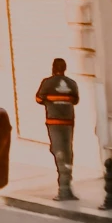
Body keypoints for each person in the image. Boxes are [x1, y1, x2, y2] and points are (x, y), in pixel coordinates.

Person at [35, 56, 80, 202]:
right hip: (68, 122)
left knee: (58, 152)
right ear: (65, 68)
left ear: (53, 68)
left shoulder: (47, 83)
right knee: (67, 152)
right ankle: (67, 185)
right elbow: (75, 100)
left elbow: (38, 99)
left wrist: (51, 102)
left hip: (54, 122)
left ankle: (63, 190)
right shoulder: (72, 83)